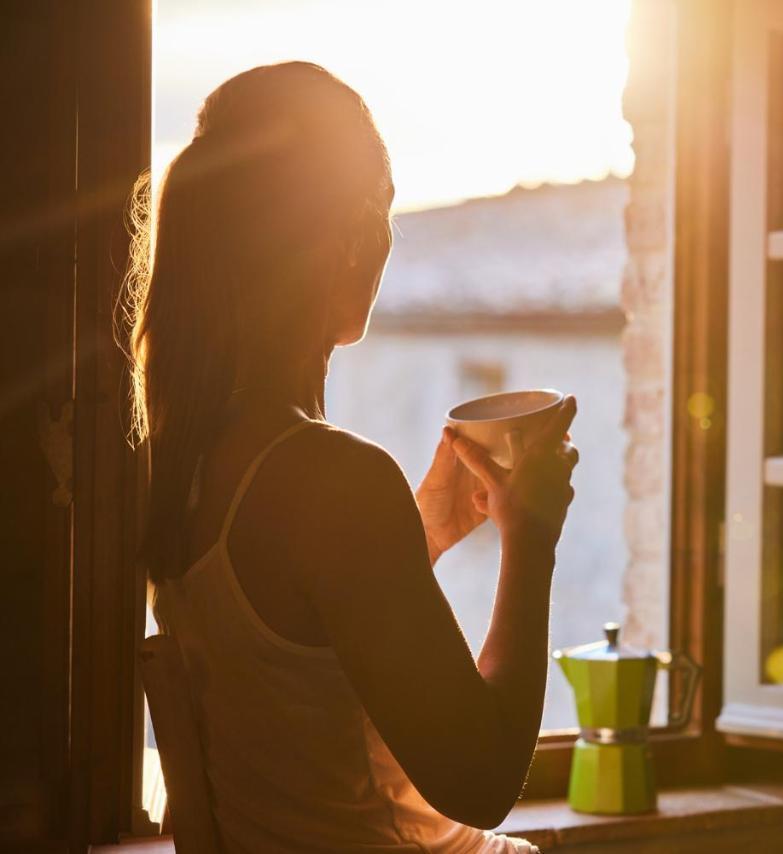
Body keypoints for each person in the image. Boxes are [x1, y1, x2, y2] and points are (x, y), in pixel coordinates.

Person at [125, 62, 576, 853]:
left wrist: (423, 530)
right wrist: (530, 539)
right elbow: (485, 779)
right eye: (386, 212)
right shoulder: (333, 478)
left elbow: (298, 673)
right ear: (352, 243)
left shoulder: (183, 461)